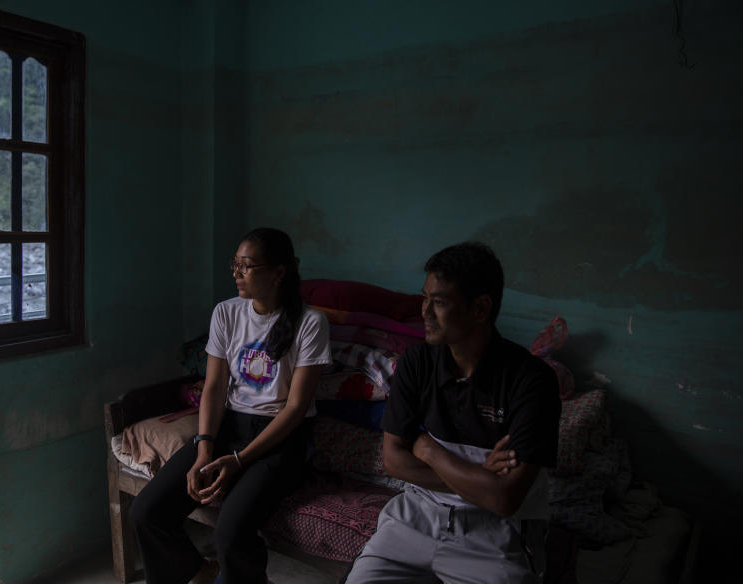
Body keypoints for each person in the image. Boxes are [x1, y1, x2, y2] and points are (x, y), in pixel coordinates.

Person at [345, 242, 561, 584]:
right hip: (415, 516)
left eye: (440, 302)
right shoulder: (417, 363)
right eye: (425, 298)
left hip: (494, 534)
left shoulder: (531, 380)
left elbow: (503, 498)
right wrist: (479, 477)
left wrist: (428, 449)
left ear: (480, 308)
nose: (425, 312)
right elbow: (393, 461)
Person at [130, 227, 332, 584]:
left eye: (247, 266)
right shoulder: (226, 312)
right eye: (234, 264)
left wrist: (239, 461)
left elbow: (296, 407)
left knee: (230, 532)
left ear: (278, 272)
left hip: (279, 438)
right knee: (147, 512)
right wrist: (204, 449)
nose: (236, 273)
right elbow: (214, 387)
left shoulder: (310, 322)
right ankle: (196, 572)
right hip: (228, 429)